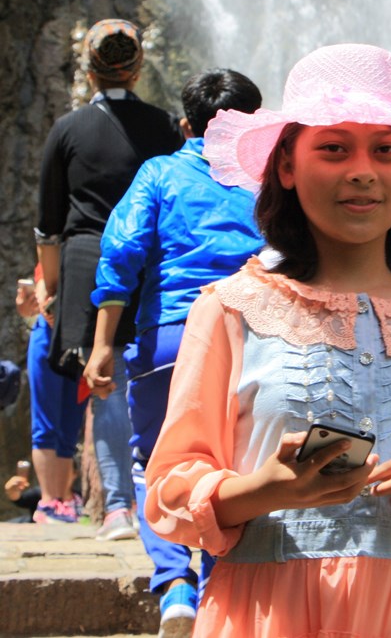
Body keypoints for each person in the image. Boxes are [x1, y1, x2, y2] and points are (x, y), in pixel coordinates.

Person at [144, 43, 391, 638]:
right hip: (269, 613)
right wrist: (262, 489)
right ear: (287, 165)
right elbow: (170, 487)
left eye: (386, 150)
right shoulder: (231, 310)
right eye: (333, 148)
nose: (362, 170)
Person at [82, 68, 264, 637]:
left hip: (170, 338)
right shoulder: (272, 181)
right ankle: (217, 584)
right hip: (251, 334)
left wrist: (102, 343)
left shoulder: (159, 173)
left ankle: (173, 584)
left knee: (153, 462)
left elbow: (120, 253)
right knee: (232, 465)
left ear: (185, 124)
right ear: (255, 124)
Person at [35, 18, 184, 542]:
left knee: (105, 385)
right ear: (138, 67)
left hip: (85, 262)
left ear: (89, 70)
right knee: (156, 380)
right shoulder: (166, 126)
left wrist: (49, 288)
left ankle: (120, 509)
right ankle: (166, 503)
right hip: (148, 262)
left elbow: (48, 224)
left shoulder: (68, 129)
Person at [16, 267, 86, 523]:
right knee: (46, 422)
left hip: (78, 333)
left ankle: (63, 502)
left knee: (70, 423)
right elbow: (28, 309)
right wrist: (27, 304)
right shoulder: (48, 252)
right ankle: (49, 501)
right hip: (47, 334)